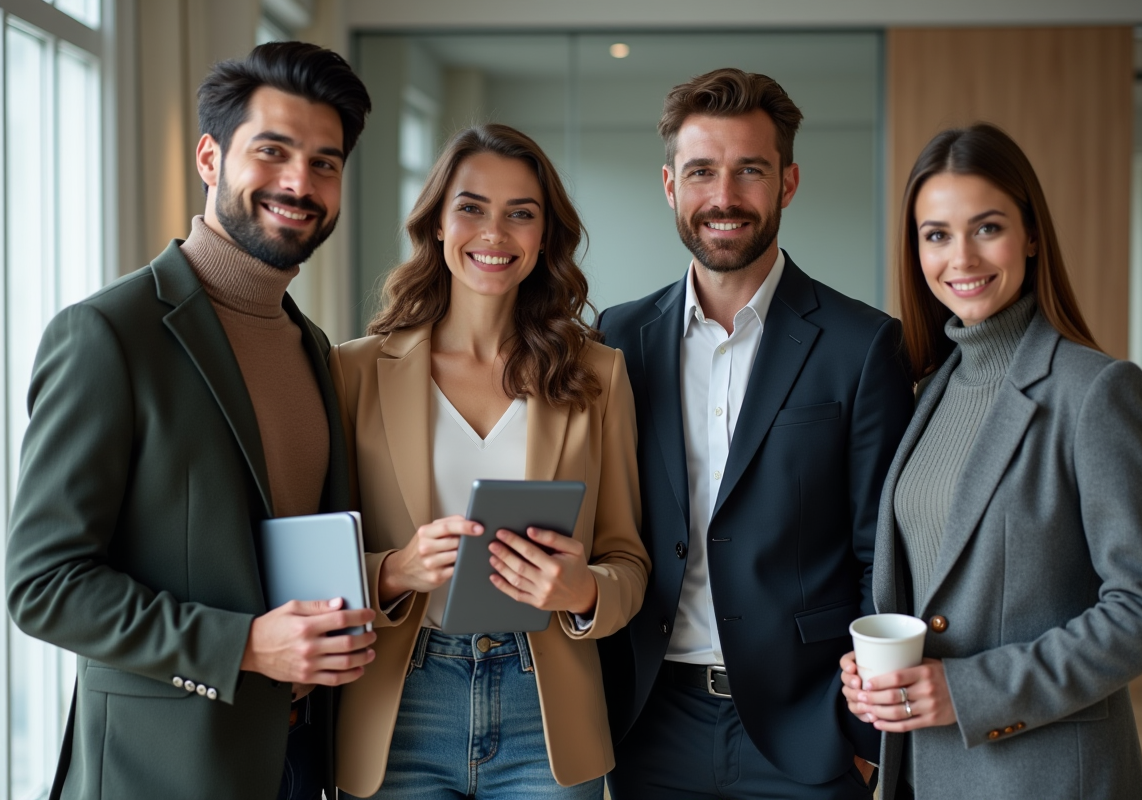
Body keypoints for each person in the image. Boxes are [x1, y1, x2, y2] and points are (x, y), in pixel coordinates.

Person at [5, 42, 377, 800]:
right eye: (271, 151)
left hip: (304, 760)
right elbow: (43, 585)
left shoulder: (311, 345)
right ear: (210, 158)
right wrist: (241, 644)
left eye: (325, 163)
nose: (299, 183)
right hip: (164, 768)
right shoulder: (108, 334)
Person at [839, 122, 1142, 800]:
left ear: (1030, 235)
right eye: (936, 234)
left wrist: (969, 691)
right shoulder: (924, 392)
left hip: (1046, 775)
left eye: (987, 227)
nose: (960, 257)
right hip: (923, 773)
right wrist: (874, 670)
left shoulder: (1095, 392)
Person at [596, 68, 912, 799]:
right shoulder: (615, 339)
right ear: (671, 185)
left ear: (788, 183)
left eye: (750, 171)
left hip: (808, 727)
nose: (725, 198)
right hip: (651, 721)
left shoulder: (862, 345)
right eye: (702, 171)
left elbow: (882, 555)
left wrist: (862, 738)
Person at [329, 123, 650, 800]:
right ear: (438, 223)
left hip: (548, 713)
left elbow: (629, 559)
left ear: (544, 237)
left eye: (521, 214)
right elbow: (314, 561)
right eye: (472, 207)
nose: (495, 234)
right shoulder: (354, 370)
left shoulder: (598, 374)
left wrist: (583, 592)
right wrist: (394, 570)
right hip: (400, 707)